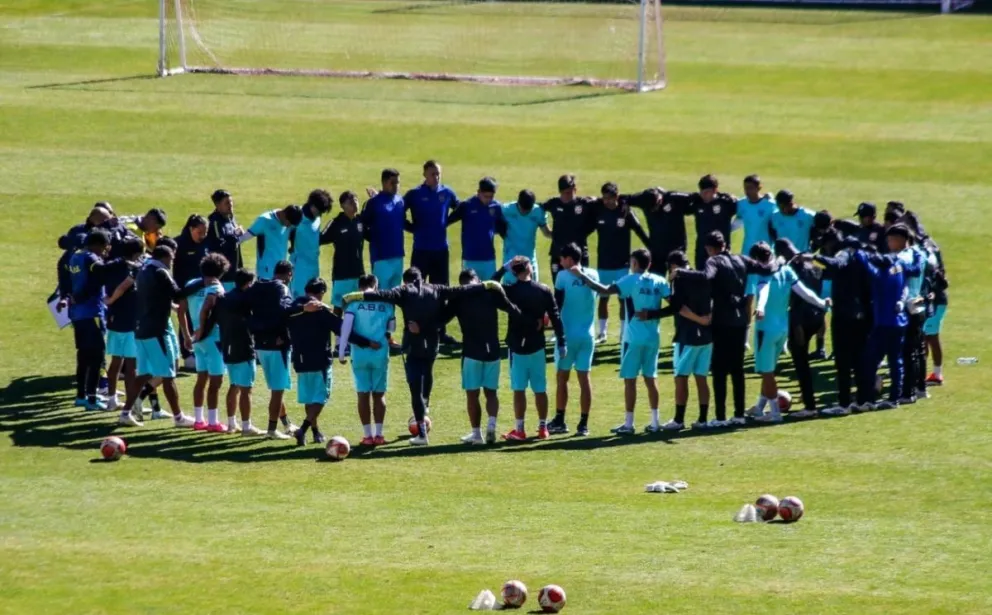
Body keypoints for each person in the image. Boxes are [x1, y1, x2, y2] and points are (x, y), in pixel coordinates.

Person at [343, 267, 502, 445]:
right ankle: (426, 405)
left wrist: (356, 296)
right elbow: (462, 290)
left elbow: (381, 295)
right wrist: (486, 285)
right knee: (427, 373)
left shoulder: (403, 291)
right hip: (432, 344)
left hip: (413, 345)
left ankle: (422, 434)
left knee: (415, 387)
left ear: (405, 280)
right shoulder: (437, 289)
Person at [570, 249, 670, 434]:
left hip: (632, 338)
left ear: (634, 263)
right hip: (653, 337)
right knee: (651, 378)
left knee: (630, 380)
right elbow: (674, 304)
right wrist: (654, 314)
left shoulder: (630, 280)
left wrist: (580, 274)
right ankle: (655, 422)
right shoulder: (660, 281)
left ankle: (629, 424)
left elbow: (603, 290)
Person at [287, 278, 377, 446]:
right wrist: (367, 342)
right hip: (320, 360)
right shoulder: (321, 311)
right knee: (320, 398)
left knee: (309, 398)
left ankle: (315, 432)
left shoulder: (295, 308)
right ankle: (303, 429)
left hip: (300, 359)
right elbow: (344, 330)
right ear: (321, 293)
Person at [748, 241, 829, 423]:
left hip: (765, 329)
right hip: (782, 329)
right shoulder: (786, 271)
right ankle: (759, 408)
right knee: (769, 369)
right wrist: (821, 303)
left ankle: (775, 413)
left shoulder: (762, 274)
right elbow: (805, 293)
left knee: (766, 372)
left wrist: (760, 307)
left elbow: (764, 290)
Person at [117, 244, 196, 428]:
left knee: (143, 374)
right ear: (166, 257)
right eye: (172, 259)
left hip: (142, 330)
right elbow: (177, 294)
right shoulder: (160, 271)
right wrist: (200, 283)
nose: (172, 262)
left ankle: (125, 413)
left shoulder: (143, 269)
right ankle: (179, 418)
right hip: (157, 331)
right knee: (168, 375)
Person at [701, 231, 775, 425]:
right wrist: (779, 261)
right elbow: (766, 269)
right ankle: (739, 415)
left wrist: (685, 274)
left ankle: (720, 416)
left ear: (710, 248)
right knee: (737, 370)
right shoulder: (741, 259)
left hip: (721, 321)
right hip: (740, 322)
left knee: (718, 370)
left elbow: (707, 277)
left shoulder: (713, 261)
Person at [439, 269, 520, 444]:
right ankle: (491, 425)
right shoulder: (489, 292)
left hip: (471, 352)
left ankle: (476, 434)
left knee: (472, 394)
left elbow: (440, 320)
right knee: (491, 392)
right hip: (493, 350)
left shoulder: (459, 297)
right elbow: (511, 309)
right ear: (478, 279)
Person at [492, 257, 565, 441]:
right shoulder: (543, 290)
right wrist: (561, 341)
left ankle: (520, 429)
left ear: (515, 271)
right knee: (540, 388)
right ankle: (542, 428)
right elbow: (555, 316)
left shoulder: (510, 291)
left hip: (517, 347)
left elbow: (492, 286)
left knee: (519, 389)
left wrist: (503, 269)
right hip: (537, 346)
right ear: (529, 269)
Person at [852, 226, 922, 410]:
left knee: (870, 361)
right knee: (896, 361)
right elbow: (914, 270)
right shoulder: (899, 267)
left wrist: (857, 248)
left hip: (883, 325)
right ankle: (894, 399)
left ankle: (867, 399)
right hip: (900, 323)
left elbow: (863, 261)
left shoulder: (879, 275)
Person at [812, 232, 873, 416]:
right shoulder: (866, 260)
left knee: (843, 362)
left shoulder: (846, 254)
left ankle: (844, 403)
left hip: (844, 316)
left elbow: (836, 264)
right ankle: (864, 400)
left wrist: (816, 257)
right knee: (860, 361)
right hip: (862, 316)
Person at [655, 251, 713, 431]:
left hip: (686, 336)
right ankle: (702, 420)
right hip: (707, 337)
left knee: (680, 378)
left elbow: (678, 308)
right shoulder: (701, 276)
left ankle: (679, 420)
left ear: (673, 266)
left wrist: (698, 319)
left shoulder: (679, 280)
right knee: (701, 378)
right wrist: (706, 320)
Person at [404, 160, 460, 344]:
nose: (436, 177)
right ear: (424, 175)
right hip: (420, 249)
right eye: (432, 174)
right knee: (414, 291)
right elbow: (398, 210)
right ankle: (412, 329)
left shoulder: (447, 193)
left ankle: (439, 331)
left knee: (440, 292)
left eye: (438, 173)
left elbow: (460, 209)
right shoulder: (414, 195)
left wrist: (447, 222)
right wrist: (411, 228)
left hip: (440, 250)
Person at [242, 260, 299, 439]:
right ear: (289, 274)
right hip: (278, 346)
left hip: (260, 345)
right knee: (278, 389)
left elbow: (244, 309)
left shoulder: (257, 286)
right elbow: (285, 311)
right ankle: (272, 430)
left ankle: (286, 424)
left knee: (276, 387)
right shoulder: (282, 288)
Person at [546, 244, 597, 437]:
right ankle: (583, 425)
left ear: (570, 259)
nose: (560, 262)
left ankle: (560, 420)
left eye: (562, 258)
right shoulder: (593, 274)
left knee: (562, 378)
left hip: (567, 337)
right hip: (588, 335)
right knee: (584, 379)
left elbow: (556, 305)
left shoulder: (562, 276)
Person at [592, 182, 649, 344]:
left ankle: (624, 333)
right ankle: (602, 333)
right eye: (604, 198)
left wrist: (651, 247)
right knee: (603, 298)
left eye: (609, 198)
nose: (607, 201)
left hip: (622, 264)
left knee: (623, 299)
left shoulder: (626, 212)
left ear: (616, 197)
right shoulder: (599, 210)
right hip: (603, 263)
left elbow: (640, 232)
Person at [775, 238, 826, 416]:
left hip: (800, 321)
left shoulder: (790, 269)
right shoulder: (813, 264)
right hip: (818, 317)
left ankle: (810, 406)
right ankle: (807, 398)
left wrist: (795, 326)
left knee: (801, 362)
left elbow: (793, 301)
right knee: (802, 361)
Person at [340, 275, 394, 446]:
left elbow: (345, 329)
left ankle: (367, 436)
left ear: (359, 287)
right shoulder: (386, 304)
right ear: (375, 285)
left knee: (363, 395)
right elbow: (391, 328)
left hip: (360, 355)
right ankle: (379, 435)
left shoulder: (353, 304)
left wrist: (341, 353)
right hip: (380, 353)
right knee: (379, 394)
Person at [180, 253, 231, 432]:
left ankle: (198, 420)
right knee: (216, 382)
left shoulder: (191, 285)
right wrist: (202, 329)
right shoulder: (216, 288)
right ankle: (213, 422)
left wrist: (187, 335)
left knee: (201, 379)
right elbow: (206, 309)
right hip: (213, 338)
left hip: (197, 341)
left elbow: (181, 311)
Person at [68, 229, 114, 411]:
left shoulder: (75, 256)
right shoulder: (91, 258)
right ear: (97, 244)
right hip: (92, 312)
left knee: (83, 355)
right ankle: (92, 399)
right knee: (97, 356)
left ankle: (81, 395)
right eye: (104, 247)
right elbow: (99, 274)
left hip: (77, 314)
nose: (105, 251)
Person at [215, 268, 265, 435]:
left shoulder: (224, 298)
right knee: (246, 388)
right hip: (244, 347)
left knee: (234, 385)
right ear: (248, 283)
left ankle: (231, 424)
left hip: (227, 346)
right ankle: (246, 426)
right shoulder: (246, 299)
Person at [102, 236, 144, 411]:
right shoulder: (133, 269)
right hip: (129, 321)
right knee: (131, 366)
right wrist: (111, 299)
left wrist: (109, 301)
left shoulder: (112, 266)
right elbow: (124, 287)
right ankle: (131, 404)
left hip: (114, 320)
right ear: (136, 254)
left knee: (116, 361)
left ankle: (112, 399)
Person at [447, 177, 506, 282]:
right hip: (469, 259)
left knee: (490, 293)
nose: (488, 199)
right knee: (470, 293)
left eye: (491, 197)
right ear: (478, 192)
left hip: (489, 259)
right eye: (485, 196)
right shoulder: (466, 206)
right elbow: (446, 221)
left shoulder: (496, 207)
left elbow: (503, 230)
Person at [624, 187, 691, 276]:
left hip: (676, 250)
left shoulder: (672, 198)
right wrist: (624, 204)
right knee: (655, 280)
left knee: (678, 281)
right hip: (657, 250)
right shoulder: (641, 199)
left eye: (654, 207)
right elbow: (623, 198)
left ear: (659, 199)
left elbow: (694, 197)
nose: (653, 210)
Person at [321, 191, 367, 319]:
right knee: (339, 306)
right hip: (342, 273)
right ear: (342, 206)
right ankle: (338, 336)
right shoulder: (336, 223)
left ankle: (355, 336)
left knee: (358, 306)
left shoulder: (360, 221)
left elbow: (372, 236)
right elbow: (320, 239)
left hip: (358, 272)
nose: (355, 204)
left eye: (356, 200)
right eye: (350, 202)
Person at [362, 168, 409, 291]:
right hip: (381, 258)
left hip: (398, 256)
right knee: (381, 295)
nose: (396, 186)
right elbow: (363, 224)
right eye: (392, 183)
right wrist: (374, 238)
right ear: (384, 182)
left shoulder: (400, 201)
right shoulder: (373, 203)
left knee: (395, 296)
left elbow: (402, 222)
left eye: (398, 183)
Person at [544, 174, 595, 284]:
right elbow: (535, 210)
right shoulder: (553, 203)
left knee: (581, 286)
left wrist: (586, 232)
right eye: (564, 193)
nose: (567, 196)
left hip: (579, 254)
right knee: (559, 286)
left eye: (570, 192)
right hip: (558, 254)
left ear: (575, 189)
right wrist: (546, 229)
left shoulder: (584, 203)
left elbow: (603, 205)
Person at [174, 214, 210, 367]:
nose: (202, 236)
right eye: (199, 232)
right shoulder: (178, 244)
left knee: (199, 318)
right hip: (185, 289)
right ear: (191, 229)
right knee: (186, 318)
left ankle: (198, 349)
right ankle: (187, 353)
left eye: (205, 232)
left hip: (201, 288)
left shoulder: (205, 243)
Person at [289, 189, 333, 299]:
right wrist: (292, 246)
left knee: (314, 296)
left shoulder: (317, 217)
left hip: (314, 263)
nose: (320, 214)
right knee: (298, 298)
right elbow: (286, 232)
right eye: (319, 210)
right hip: (299, 265)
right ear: (312, 205)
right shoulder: (297, 215)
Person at [240, 205, 304, 281]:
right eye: (289, 223)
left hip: (282, 271)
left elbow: (293, 231)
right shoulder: (265, 220)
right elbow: (245, 237)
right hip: (266, 272)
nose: (289, 226)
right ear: (284, 214)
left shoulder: (289, 222)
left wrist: (292, 245)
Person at [687, 175, 738, 270]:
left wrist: (735, 226)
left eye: (706, 192)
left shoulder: (726, 202)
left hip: (721, 250)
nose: (703, 195)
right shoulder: (697, 203)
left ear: (715, 190)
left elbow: (746, 208)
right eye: (701, 192)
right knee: (703, 278)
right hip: (702, 250)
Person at [501, 190, 552, 283]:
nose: (524, 212)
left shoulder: (538, 212)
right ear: (518, 202)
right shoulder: (506, 210)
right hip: (511, 261)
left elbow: (547, 233)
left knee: (533, 293)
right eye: (522, 208)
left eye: (528, 210)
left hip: (529, 261)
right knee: (510, 295)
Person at [206, 189, 244, 291]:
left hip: (234, 272)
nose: (230, 205)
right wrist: (235, 235)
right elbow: (220, 247)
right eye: (227, 203)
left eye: (231, 201)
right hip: (224, 276)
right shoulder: (214, 222)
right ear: (217, 205)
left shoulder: (230, 218)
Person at [734, 175, 777, 255]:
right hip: (747, 249)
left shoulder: (770, 205)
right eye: (745, 188)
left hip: (765, 249)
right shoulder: (741, 204)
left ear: (759, 188)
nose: (747, 191)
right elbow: (739, 221)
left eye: (750, 188)